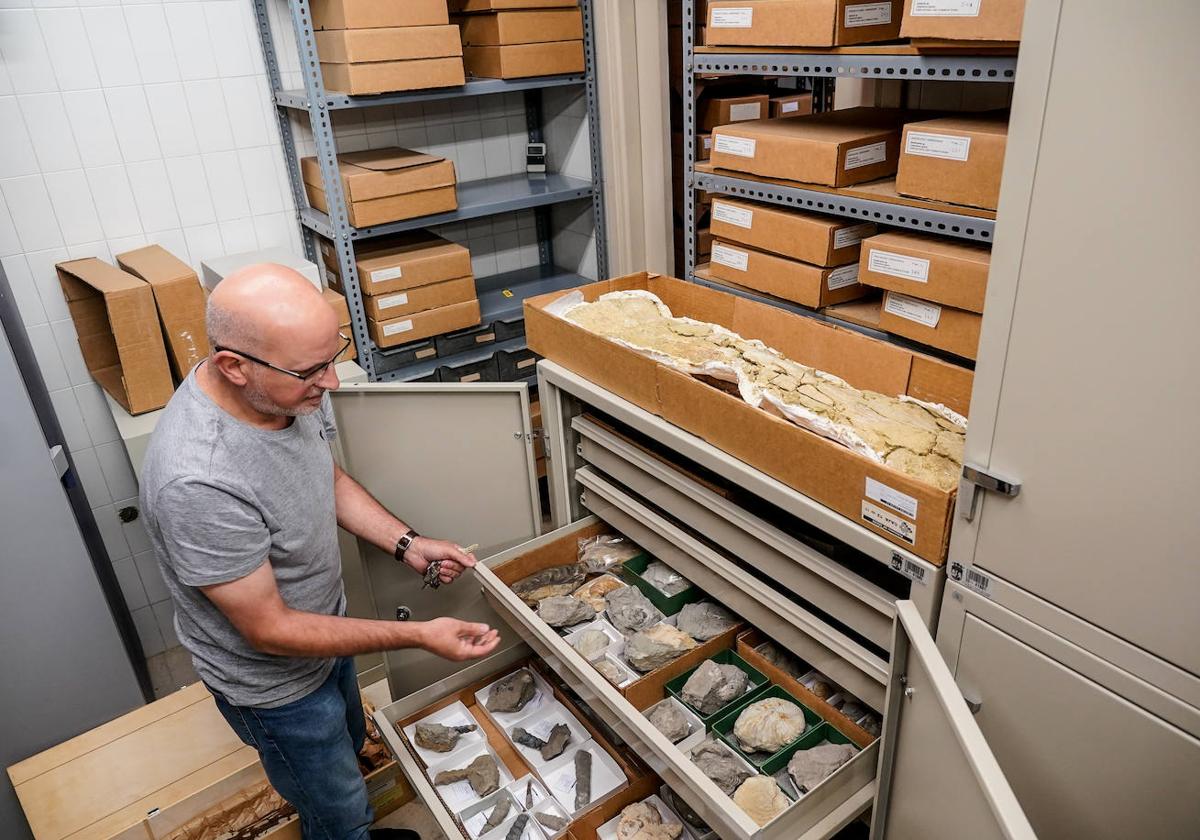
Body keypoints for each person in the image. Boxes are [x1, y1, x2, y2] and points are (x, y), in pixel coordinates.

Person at [139, 264, 501, 840]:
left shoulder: (283, 388)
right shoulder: (197, 480)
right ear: (234, 366)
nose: (331, 382)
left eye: (334, 357)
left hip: (327, 635)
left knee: (350, 745)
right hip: (275, 684)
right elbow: (272, 630)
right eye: (313, 371)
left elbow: (321, 477)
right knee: (338, 811)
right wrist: (418, 633)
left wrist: (405, 543)